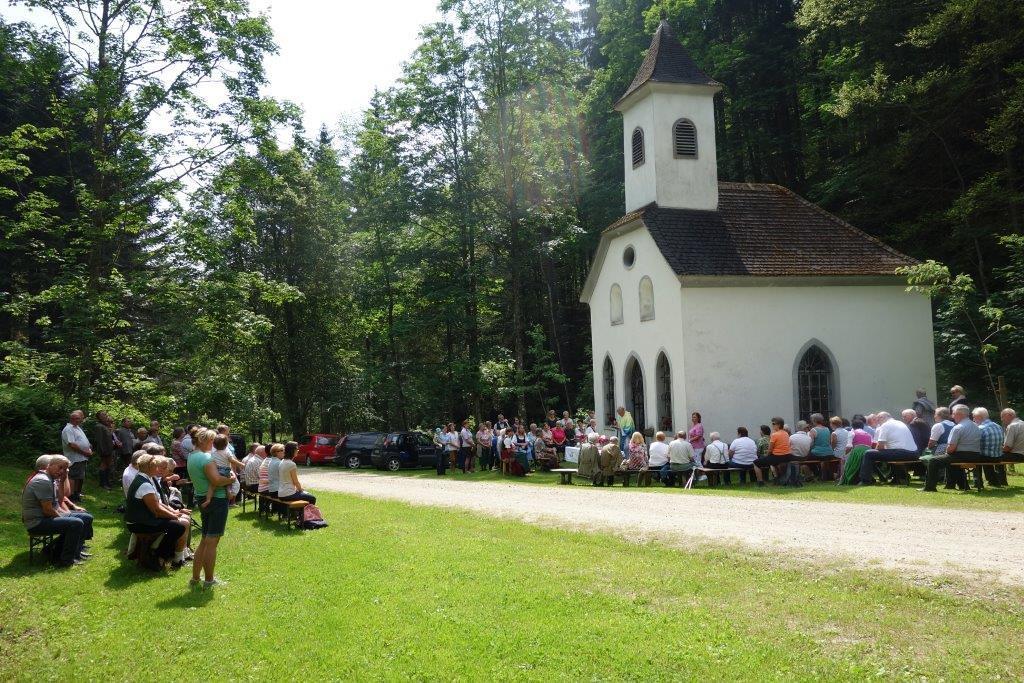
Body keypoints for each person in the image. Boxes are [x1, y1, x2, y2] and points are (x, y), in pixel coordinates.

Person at [187, 427, 235, 589]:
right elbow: (216, 480)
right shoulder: (206, 458)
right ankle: (209, 580)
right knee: (212, 541)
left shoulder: (192, 456)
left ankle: (195, 578)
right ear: (204, 440)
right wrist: (231, 479)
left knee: (204, 539)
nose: (214, 444)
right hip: (217, 500)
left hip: (203, 499)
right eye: (212, 441)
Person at [22, 455, 90, 567]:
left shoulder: (50, 478)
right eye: (60, 467)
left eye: (65, 469)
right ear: (49, 465)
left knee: (86, 518)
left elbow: (59, 500)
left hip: (45, 517)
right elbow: (47, 510)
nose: (62, 471)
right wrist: (65, 517)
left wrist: (66, 514)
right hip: (37, 522)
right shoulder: (43, 481)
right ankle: (65, 561)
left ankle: (69, 553)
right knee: (76, 523)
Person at [126, 454, 190, 570]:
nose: (158, 469)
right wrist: (174, 516)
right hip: (139, 523)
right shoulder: (144, 484)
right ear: (149, 467)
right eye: (156, 466)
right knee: (178, 527)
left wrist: (174, 513)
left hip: (143, 519)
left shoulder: (145, 478)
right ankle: (158, 556)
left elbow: (158, 503)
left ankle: (166, 555)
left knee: (178, 524)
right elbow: (156, 510)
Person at [920, 404, 986, 492]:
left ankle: (929, 487)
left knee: (933, 460)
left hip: (961, 455)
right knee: (951, 460)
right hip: (975, 456)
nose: (952, 416)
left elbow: (951, 448)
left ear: (959, 414)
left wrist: (946, 452)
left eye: (953, 413)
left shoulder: (958, 428)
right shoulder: (976, 426)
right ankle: (960, 485)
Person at [859, 411, 919, 485]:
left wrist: (875, 451)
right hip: (914, 453)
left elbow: (880, 446)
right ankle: (899, 478)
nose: (878, 422)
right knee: (890, 453)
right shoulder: (900, 423)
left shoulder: (885, 425)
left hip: (902, 453)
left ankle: (865, 480)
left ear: (882, 418)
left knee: (868, 453)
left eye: (878, 420)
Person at [202, 434, 242, 508]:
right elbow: (232, 460)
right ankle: (230, 494)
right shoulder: (227, 452)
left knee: (212, 486)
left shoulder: (213, 453)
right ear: (226, 444)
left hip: (217, 471)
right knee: (229, 484)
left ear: (214, 445)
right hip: (226, 471)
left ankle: (208, 500)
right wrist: (241, 464)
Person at [61, 410, 92, 503]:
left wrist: (89, 448)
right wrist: (84, 452)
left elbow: (83, 440)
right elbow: (71, 444)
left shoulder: (77, 427)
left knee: (79, 477)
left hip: (81, 457)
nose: (81, 420)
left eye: (80, 418)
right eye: (78, 418)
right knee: (73, 477)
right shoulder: (68, 429)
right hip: (74, 457)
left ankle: (76, 494)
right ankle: (70, 497)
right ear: (73, 419)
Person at [754, 417, 792, 486]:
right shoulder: (786, 434)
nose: (772, 425)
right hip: (787, 456)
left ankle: (760, 482)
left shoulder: (774, 435)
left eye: (773, 424)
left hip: (778, 457)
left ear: (779, 425)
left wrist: (766, 456)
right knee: (773, 463)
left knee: (755, 463)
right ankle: (778, 480)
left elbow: (770, 450)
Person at [974, 407, 1006, 487]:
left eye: (974, 417)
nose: (973, 420)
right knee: (984, 454)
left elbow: (974, 444)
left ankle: (978, 482)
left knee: (973, 456)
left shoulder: (980, 428)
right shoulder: (998, 426)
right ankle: (993, 481)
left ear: (979, 417)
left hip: (986, 457)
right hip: (998, 457)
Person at [277, 441, 317, 505]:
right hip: (288, 494)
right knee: (312, 498)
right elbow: (295, 482)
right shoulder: (291, 464)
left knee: (306, 495)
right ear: (292, 451)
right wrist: (301, 490)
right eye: (297, 449)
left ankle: (299, 511)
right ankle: (307, 512)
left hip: (281, 493)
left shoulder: (282, 462)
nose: (298, 450)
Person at [92, 411, 116, 490]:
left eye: (106, 414)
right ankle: (103, 483)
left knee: (108, 465)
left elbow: (109, 436)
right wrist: (103, 451)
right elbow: (99, 440)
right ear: (99, 417)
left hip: (109, 449)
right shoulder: (99, 426)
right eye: (103, 415)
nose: (105, 416)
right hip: (105, 450)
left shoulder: (104, 426)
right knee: (104, 465)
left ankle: (107, 482)